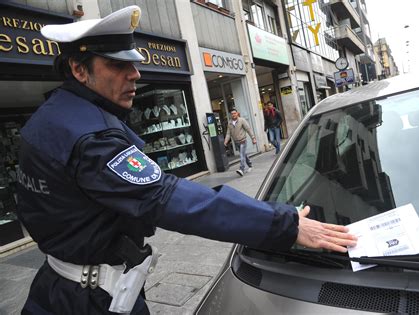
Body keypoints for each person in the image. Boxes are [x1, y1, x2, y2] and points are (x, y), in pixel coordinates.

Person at [16, 6, 357, 314]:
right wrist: (287, 224)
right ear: (79, 69)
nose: (135, 74)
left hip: (56, 285)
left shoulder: (48, 119)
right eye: (119, 64)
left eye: (133, 63)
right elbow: (169, 198)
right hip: (90, 300)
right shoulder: (93, 139)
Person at [223, 108, 256, 176]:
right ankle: (250, 165)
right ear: (230, 115)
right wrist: (226, 141)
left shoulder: (242, 120)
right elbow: (228, 133)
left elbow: (248, 129)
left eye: (234, 113)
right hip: (236, 142)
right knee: (243, 154)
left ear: (237, 113)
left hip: (243, 140)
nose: (233, 115)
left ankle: (241, 169)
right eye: (232, 114)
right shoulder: (229, 123)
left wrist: (253, 138)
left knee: (241, 155)